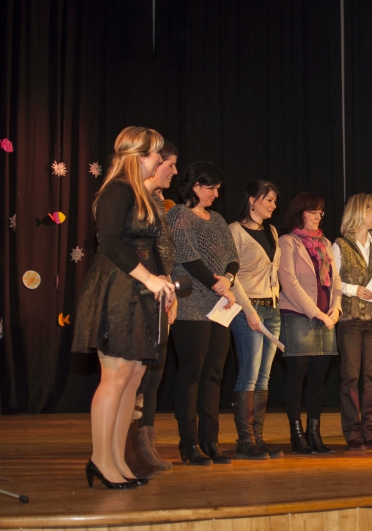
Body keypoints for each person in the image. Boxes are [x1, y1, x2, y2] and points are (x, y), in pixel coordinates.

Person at [72, 126, 176, 489]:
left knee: (132, 377)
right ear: (140, 156)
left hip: (141, 292)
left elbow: (153, 247)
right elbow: (110, 243)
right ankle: (101, 460)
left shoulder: (143, 193)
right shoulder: (117, 189)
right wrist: (149, 279)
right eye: (157, 154)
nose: (160, 160)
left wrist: (164, 286)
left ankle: (116, 459)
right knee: (115, 376)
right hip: (118, 289)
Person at [167, 161, 240, 465]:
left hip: (219, 305)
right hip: (190, 304)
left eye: (217, 189)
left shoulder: (218, 219)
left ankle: (210, 441)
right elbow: (187, 258)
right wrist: (216, 283)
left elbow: (233, 257)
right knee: (191, 373)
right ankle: (189, 444)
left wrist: (228, 279)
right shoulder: (178, 215)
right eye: (211, 188)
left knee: (214, 374)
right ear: (195, 186)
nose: (216, 194)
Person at [124, 141, 179, 476]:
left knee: (153, 374)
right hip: (137, 292)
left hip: (160, 291)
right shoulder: (134, 198)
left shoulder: (160, 203)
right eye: (168, 164)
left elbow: (164, 251)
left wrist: (170, 290)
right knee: (134, 376)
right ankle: (129, 447)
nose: (173, 171)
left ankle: (146, 443)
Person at [278, 193, 342, 455]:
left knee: (318, 379)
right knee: (297, 376)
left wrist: (336, 308)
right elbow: (289, 282)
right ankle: (297, 434)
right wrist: (316, 313)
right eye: (313, 212)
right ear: (300, 213)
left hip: (326, 316)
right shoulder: (287, 242)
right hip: (298, 315)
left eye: (320, 212)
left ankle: (314, 432)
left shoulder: (325, 242)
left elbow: (335, 280)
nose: (318, 217)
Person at [228, 180, 283, 460]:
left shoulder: (271, 231)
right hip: (248, 308)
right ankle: (245, 441)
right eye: (268, 200)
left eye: (274, 200)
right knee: (249, 374)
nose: (273, 205)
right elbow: (232, 275)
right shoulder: (234, 231)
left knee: (264, 376)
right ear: (252, 200)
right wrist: (248, 310)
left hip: (272, 309)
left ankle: (258, 438)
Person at [332, 193, 372, 451]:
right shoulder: (340, 245)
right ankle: (353, 433)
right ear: (359, 213)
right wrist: (354, 290)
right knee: (350, 376)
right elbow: (332, 280)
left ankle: (371, 432)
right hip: (351, 319)